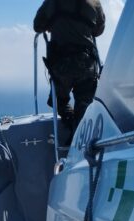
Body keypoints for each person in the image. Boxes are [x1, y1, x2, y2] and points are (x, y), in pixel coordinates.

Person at [34, 0, 105, 142]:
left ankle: (69, 120)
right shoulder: (94, 2)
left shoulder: (51, 2)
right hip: (86, 64)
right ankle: (78, 137)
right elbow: (99, 30)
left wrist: (54, 23)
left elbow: (38, 26)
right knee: (84, 104)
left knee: (58, 100)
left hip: (61, 65)